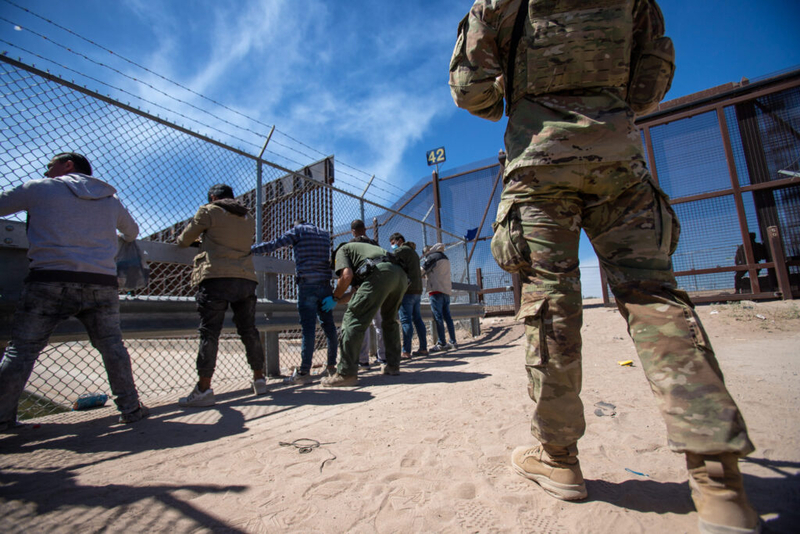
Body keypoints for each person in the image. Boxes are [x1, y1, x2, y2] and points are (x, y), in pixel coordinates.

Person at [449, 2, 759, 533]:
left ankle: (560, 459)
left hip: (541, 163)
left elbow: (470, 91)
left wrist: (520, 95)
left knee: (550, 307)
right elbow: (649, 84)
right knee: (655, 298)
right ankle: (718, 484)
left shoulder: (499, 3)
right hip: (618, 159)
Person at [0, 152, 149, 428]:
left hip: (50, 278)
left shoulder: (39, 188)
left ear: (67, 165)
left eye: (50, 166)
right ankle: (130, 408)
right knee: (112, 347)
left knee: (21, 350)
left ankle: (3, 419)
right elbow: (132, 232)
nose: (46, 172)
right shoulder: (110, 199)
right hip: (101, 283)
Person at [176, 184, 267, 407]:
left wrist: (201, 240)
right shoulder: (248, 216)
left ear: (214, 197)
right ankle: (260, 379)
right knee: (249, 330)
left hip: (216, 277)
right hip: (245, 278)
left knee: (210, 332)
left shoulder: (208, 210)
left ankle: (204, 389)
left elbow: (184, 240)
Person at [252, 220, 337, 385]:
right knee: (329, 326)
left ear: (296, 225)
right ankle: (331, 366)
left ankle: (304, 371)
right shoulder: (325, 233)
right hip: (325, 286)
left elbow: (275, 244)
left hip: (307, 285)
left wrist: (251, 249)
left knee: (308, 329)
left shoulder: (298, 231)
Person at [321, 240, 407, 386]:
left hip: (381, 274)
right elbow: (356, 293)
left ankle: (346, 374)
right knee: (389, 320)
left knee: (352, 319)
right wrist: (337, 300)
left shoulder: (342, 250)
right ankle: (393, 366)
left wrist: (334, 296)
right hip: (399, 275)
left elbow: (346, 276)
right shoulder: (363, 253)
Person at [350, 220, 386, 367]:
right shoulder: (375, 244)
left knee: (362, 323)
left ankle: (362, 359)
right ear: (364, 230)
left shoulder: (352, 244)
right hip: (378, 286)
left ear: (353, 231)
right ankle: (383, 357)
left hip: (362, 287)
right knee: (380, 324)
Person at [389, 233, 428, 358]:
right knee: (417, 320)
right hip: (417, 290)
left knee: (406, 321)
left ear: (400, 240)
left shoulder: (402, 250)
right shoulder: (413, 252)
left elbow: (389, 259)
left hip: (407, 290)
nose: (393, 247)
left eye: (393, 243)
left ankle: (406, 351)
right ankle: (423, 348)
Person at [421, 243, 458, 352]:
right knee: (448, 317)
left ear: (427, 252)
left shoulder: (432, 257)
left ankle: (442, 343)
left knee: (438, 318)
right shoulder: (444, 257)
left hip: (436, 291)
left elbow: (422, 270)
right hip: (446, 290)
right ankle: (453, 341)